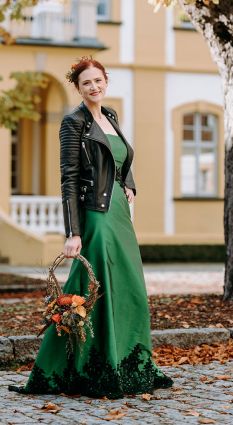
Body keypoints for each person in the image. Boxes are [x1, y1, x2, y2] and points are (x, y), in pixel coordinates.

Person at [9, 57, 173, 399]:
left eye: (98, 80)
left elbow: (120, 158)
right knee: (94, 286)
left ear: (105, 81)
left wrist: (128, 183)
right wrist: (73, 232)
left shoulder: (110, 116)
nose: (94, 87)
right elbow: (69, 179)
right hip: (96, 214)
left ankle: (130, 362)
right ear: (78, 88)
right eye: (87, 83)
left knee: (128, 287)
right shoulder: (73, 123)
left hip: (120, 212)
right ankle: (84, 367)